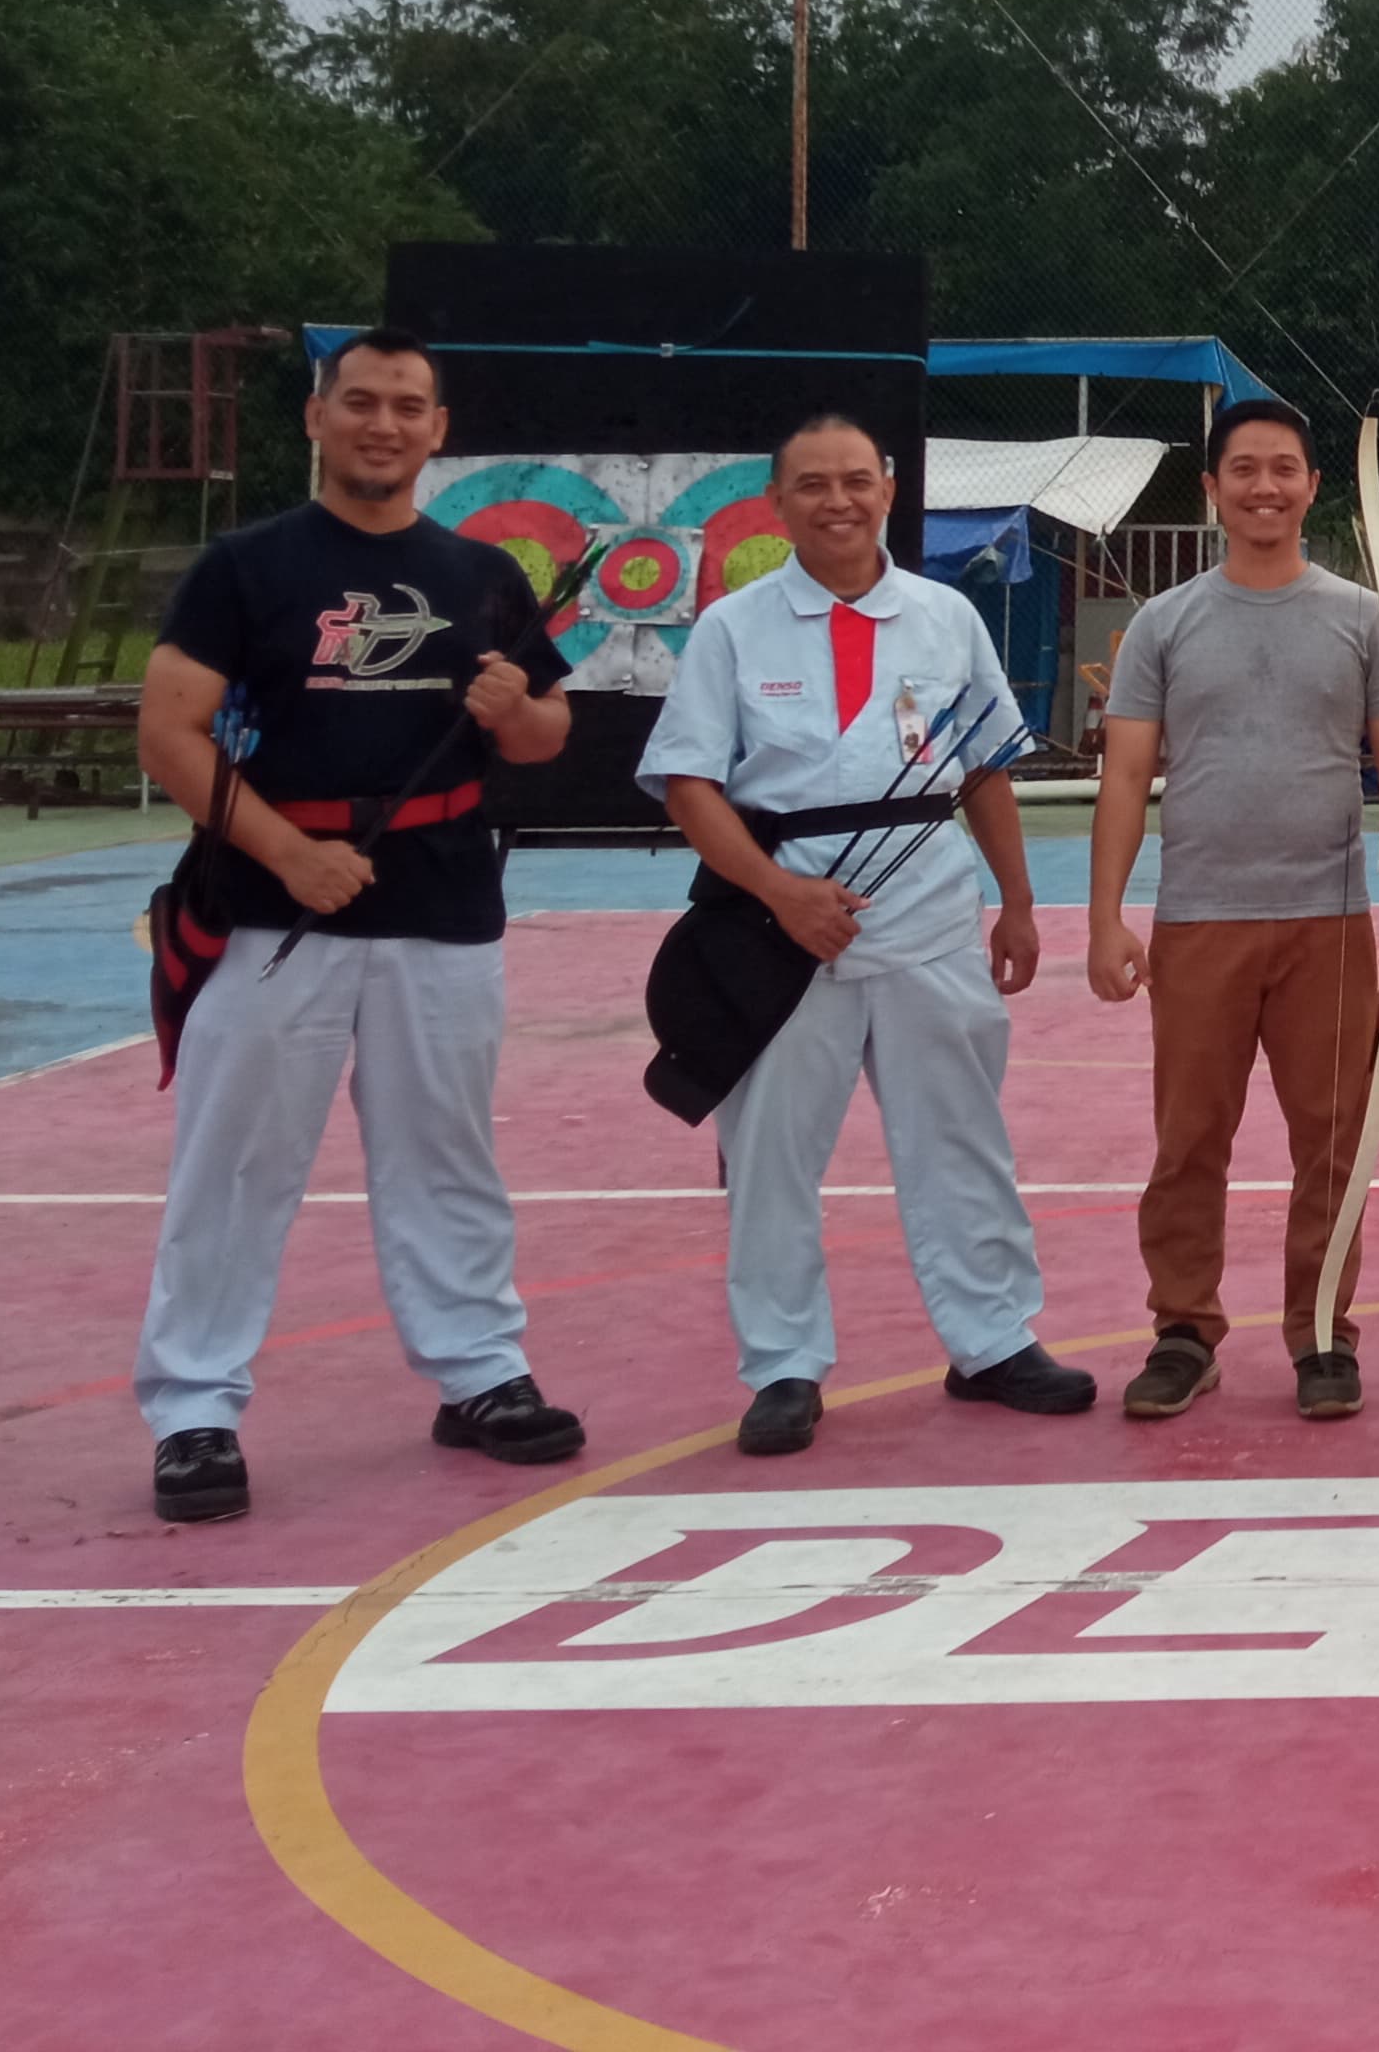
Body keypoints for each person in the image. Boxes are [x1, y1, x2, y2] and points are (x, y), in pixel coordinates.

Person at [130, 329, 583, 1525]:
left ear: (440, 430)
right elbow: (170, 730)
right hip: (271, 906)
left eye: (408, 406)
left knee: (446, 1152)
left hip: (443, 901)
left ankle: (478, 1371)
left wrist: (514, 709)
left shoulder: (481, 574)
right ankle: (193, 1408)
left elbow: (547, 731)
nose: (384, 424)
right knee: (237, 1161)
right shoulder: (244, 568)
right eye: (362, 402)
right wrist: (288, 853)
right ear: (316, 417)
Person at [645, 410, 1090, 1453]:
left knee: (961, 1138)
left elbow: (984, 769)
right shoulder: (733, 628)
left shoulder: (945, 617)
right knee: (768, 1153)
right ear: (776, 502)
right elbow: (690, 785)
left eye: (856, 480)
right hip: (779, 926)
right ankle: (783, 1363)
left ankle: (992, 1340)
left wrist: (1018, 902)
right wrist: (779, 893)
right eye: (812, 484)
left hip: (928, 911)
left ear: (888, 490)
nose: (837, 501)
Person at [1088, 399, 1379, 1421]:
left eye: (1284, 468)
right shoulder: (1164, 623)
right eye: (1243, 469)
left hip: (1328, 921)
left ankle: (1322, 1330)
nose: (1264, 487)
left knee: (1330, 1140)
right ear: (1212, 488)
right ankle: (1184, 1332)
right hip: (1199, 919)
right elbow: (1125, 777)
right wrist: (1106, 917)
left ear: (1314, 486)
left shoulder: (1363, 618)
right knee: (1189, 1139)